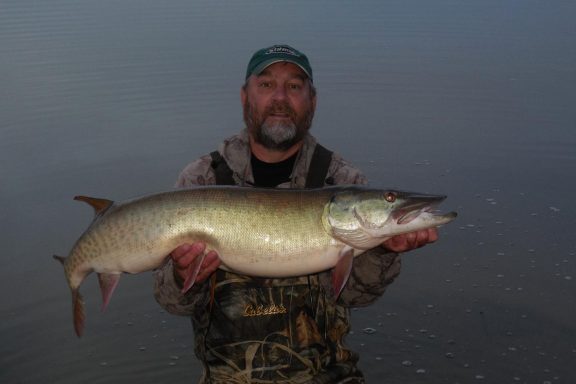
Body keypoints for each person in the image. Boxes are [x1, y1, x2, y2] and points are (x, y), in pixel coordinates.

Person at [154, 44, 438, 384]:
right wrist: (185, 275)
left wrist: (382, 251)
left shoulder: (342, 180)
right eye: (266, 85)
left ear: (312, 102)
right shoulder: (201, 180)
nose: (280, 98)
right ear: (245, 98)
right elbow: (171, 302)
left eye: (294, 86)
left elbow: (356, 296)